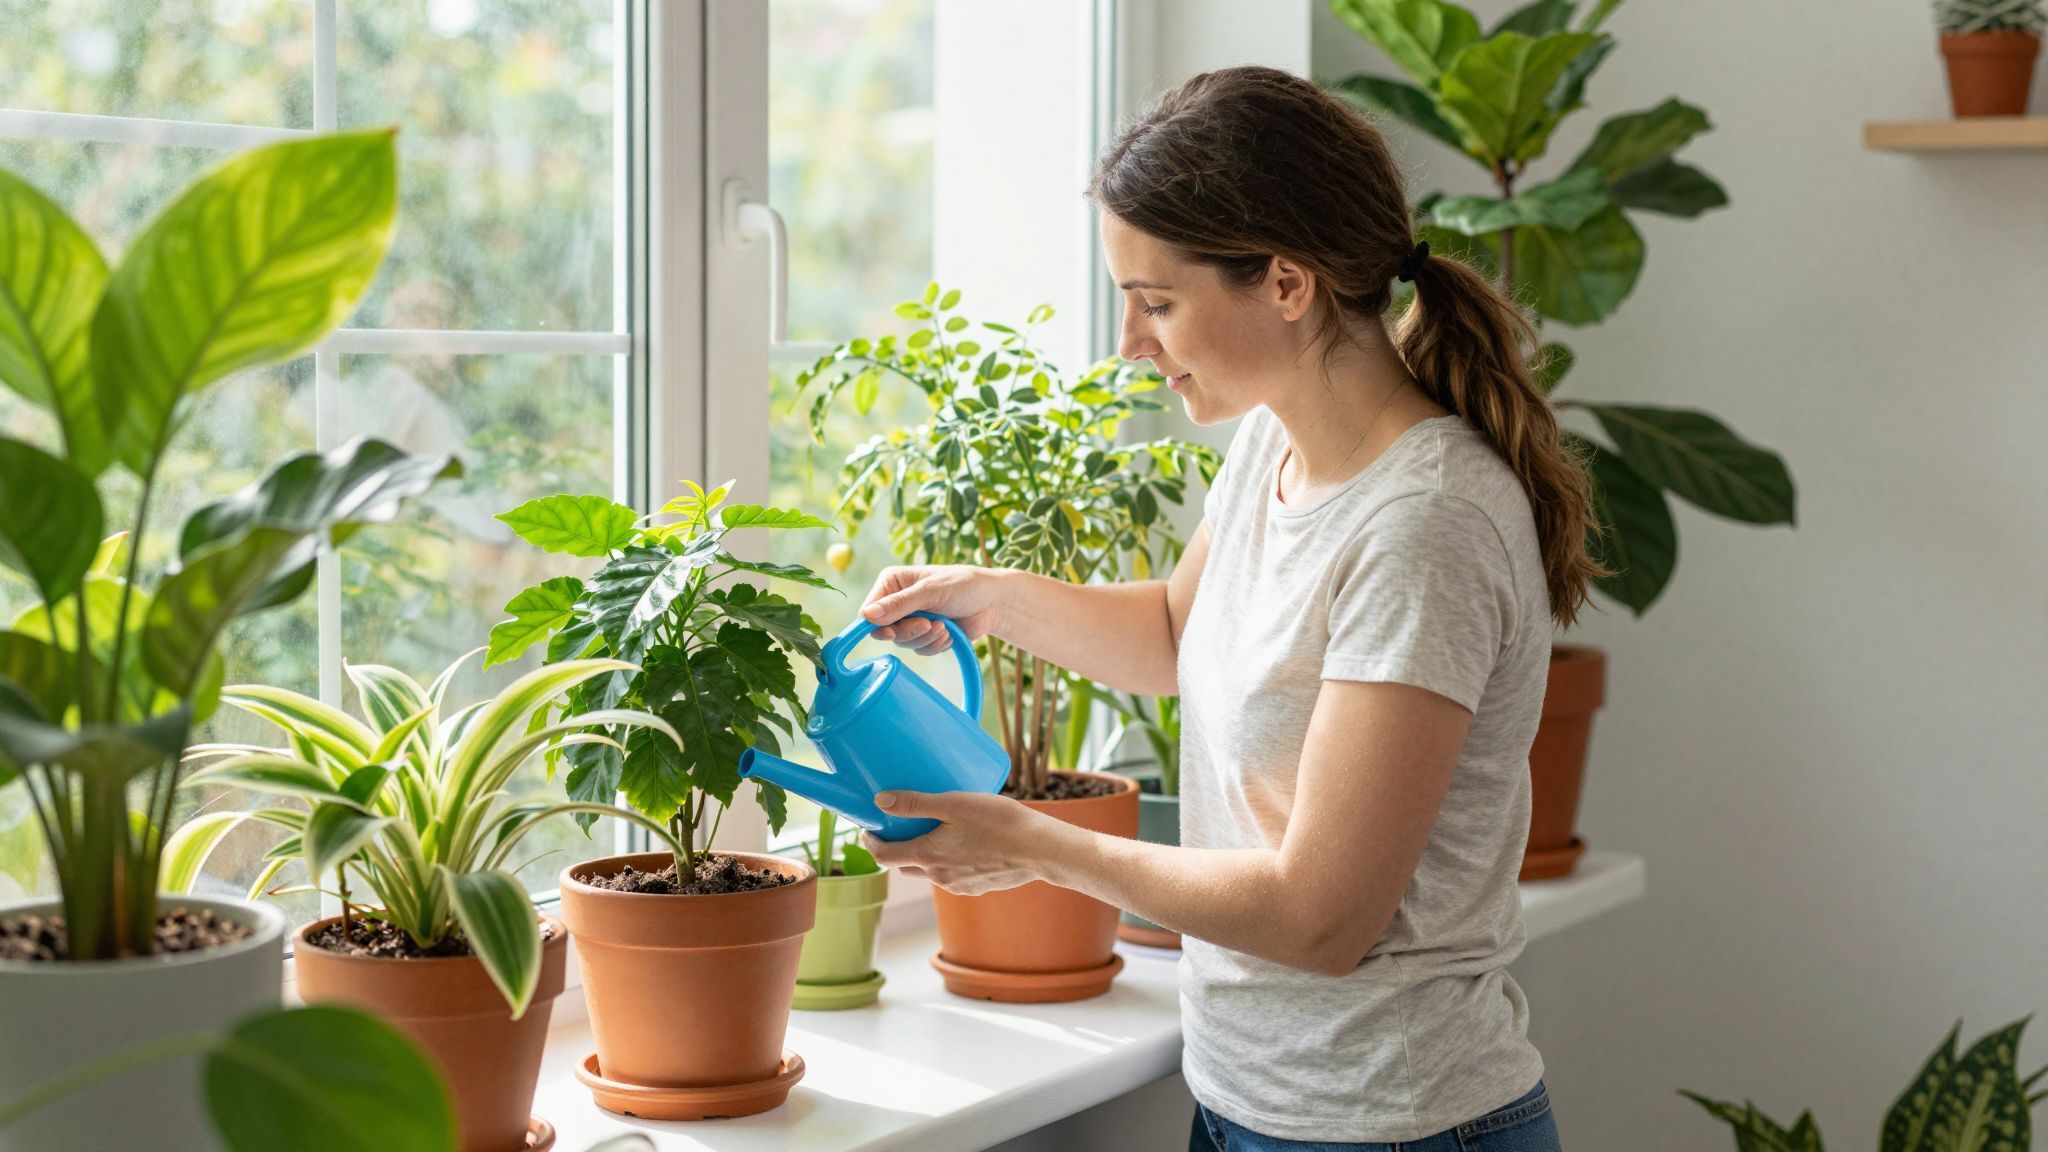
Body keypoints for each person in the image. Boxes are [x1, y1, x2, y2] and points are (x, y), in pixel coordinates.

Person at [856, 65, 1602, 1152]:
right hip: (1251, 1101)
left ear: (1286, 283)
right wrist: (988, 597)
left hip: (1391, 1122)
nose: (1130, 343)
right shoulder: (1272, 442)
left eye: (1157, 303)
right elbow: (1173, 633)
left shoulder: (1423, 527)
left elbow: (1319, 918)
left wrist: (1033, 843)